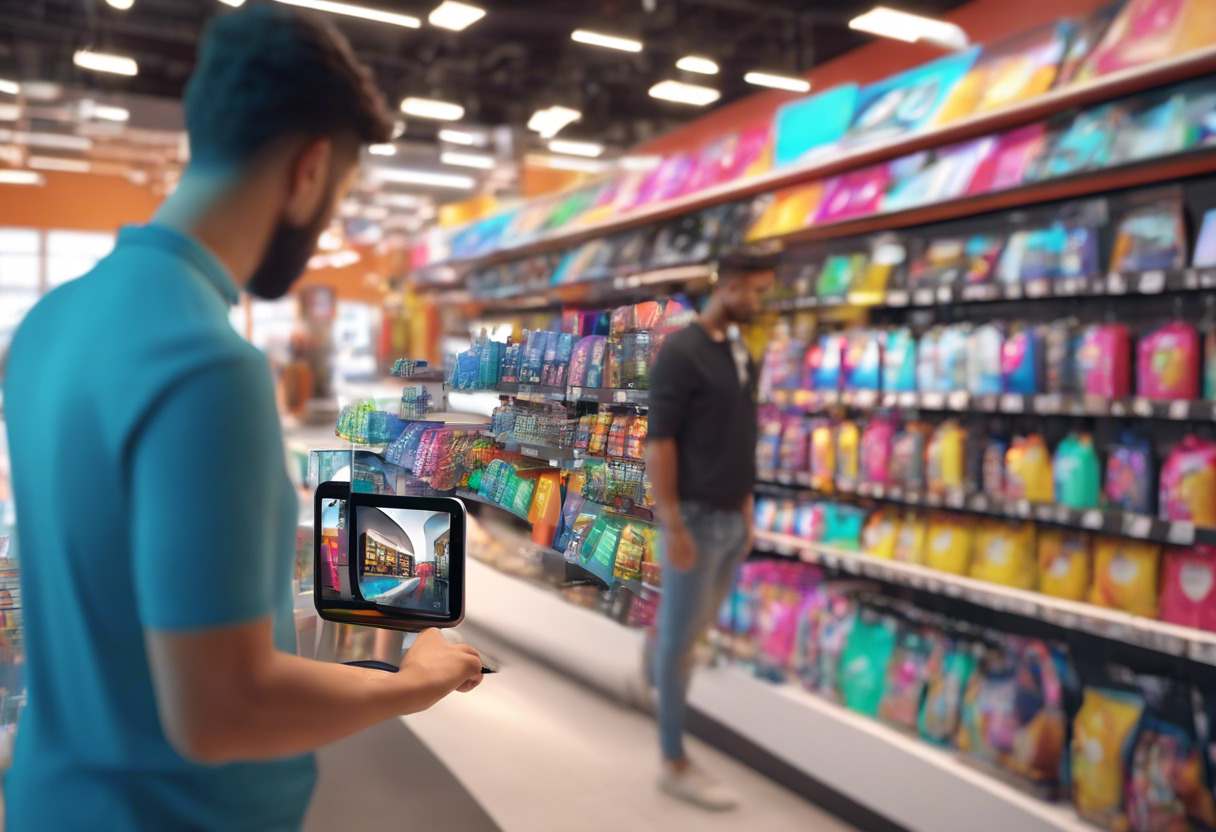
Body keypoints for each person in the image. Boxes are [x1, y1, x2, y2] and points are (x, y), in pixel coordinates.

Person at [2, 7, 483, 831]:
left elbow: (113, 603)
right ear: (308, 168)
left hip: (56, 799)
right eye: (336, 196)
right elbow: (220, 711)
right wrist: (415, 681)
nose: (327, 221)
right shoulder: (206, 366)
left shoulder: (47, 326)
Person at [645, 264, 773, 811]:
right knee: (681, 648)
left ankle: (652, 665)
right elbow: (661, 444)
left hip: (729, 518)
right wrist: (672, 522)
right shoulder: (681, 354)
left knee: (691, 631)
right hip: (693, 520)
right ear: (729, 286)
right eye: (758, 291)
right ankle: (673, 761)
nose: (762, 302)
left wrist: (746, 505)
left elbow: (741, 432)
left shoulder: (739, 352)